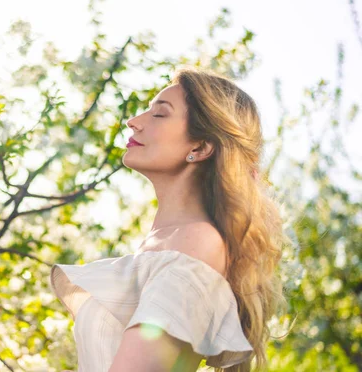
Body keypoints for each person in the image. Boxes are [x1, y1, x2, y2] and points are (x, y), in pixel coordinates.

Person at [50, 68, 290, 372]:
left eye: (160, 114)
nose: (134, 122)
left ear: (200, 147)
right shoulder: (166, 241)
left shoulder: (196, 242)